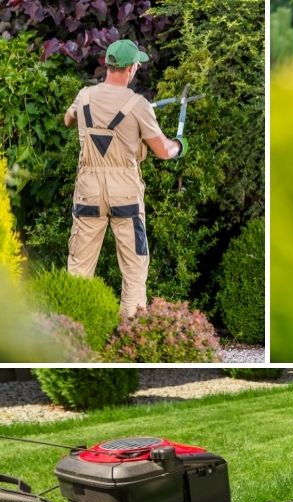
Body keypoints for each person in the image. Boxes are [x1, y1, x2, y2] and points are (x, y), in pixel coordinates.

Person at [63, 39, 187, 319]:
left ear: (108, 65)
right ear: (131, 69)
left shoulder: (84, 96)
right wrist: (179, 145)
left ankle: (71, 334)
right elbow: (163, 151)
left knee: (79, 268)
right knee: (134, 267)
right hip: (125, 194)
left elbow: (67, 120)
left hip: (88, 191)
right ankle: (129, 335)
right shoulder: (139, 105)